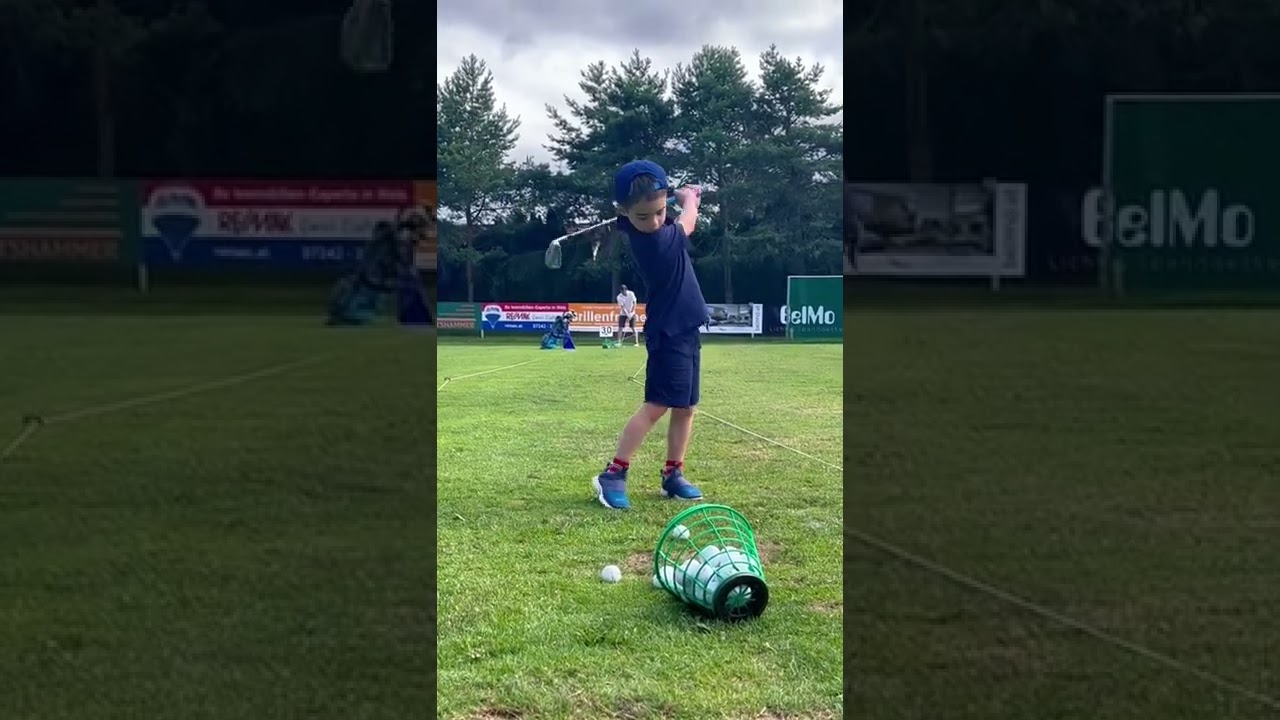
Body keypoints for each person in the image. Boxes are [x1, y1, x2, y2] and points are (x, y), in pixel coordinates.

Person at [592, 160, 708, 510]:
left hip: (685, 328)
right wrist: (690, 199)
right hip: (668, 331)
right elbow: (688, 221)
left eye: (659, 212)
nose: (655, 221)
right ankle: (613, 473)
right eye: (643, 217)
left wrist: (674, 197)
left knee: (686, 407)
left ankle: (673, 474)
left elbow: (664, 212)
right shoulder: (656, 242)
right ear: (624, 214)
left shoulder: (650, 225)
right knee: (657, 405)